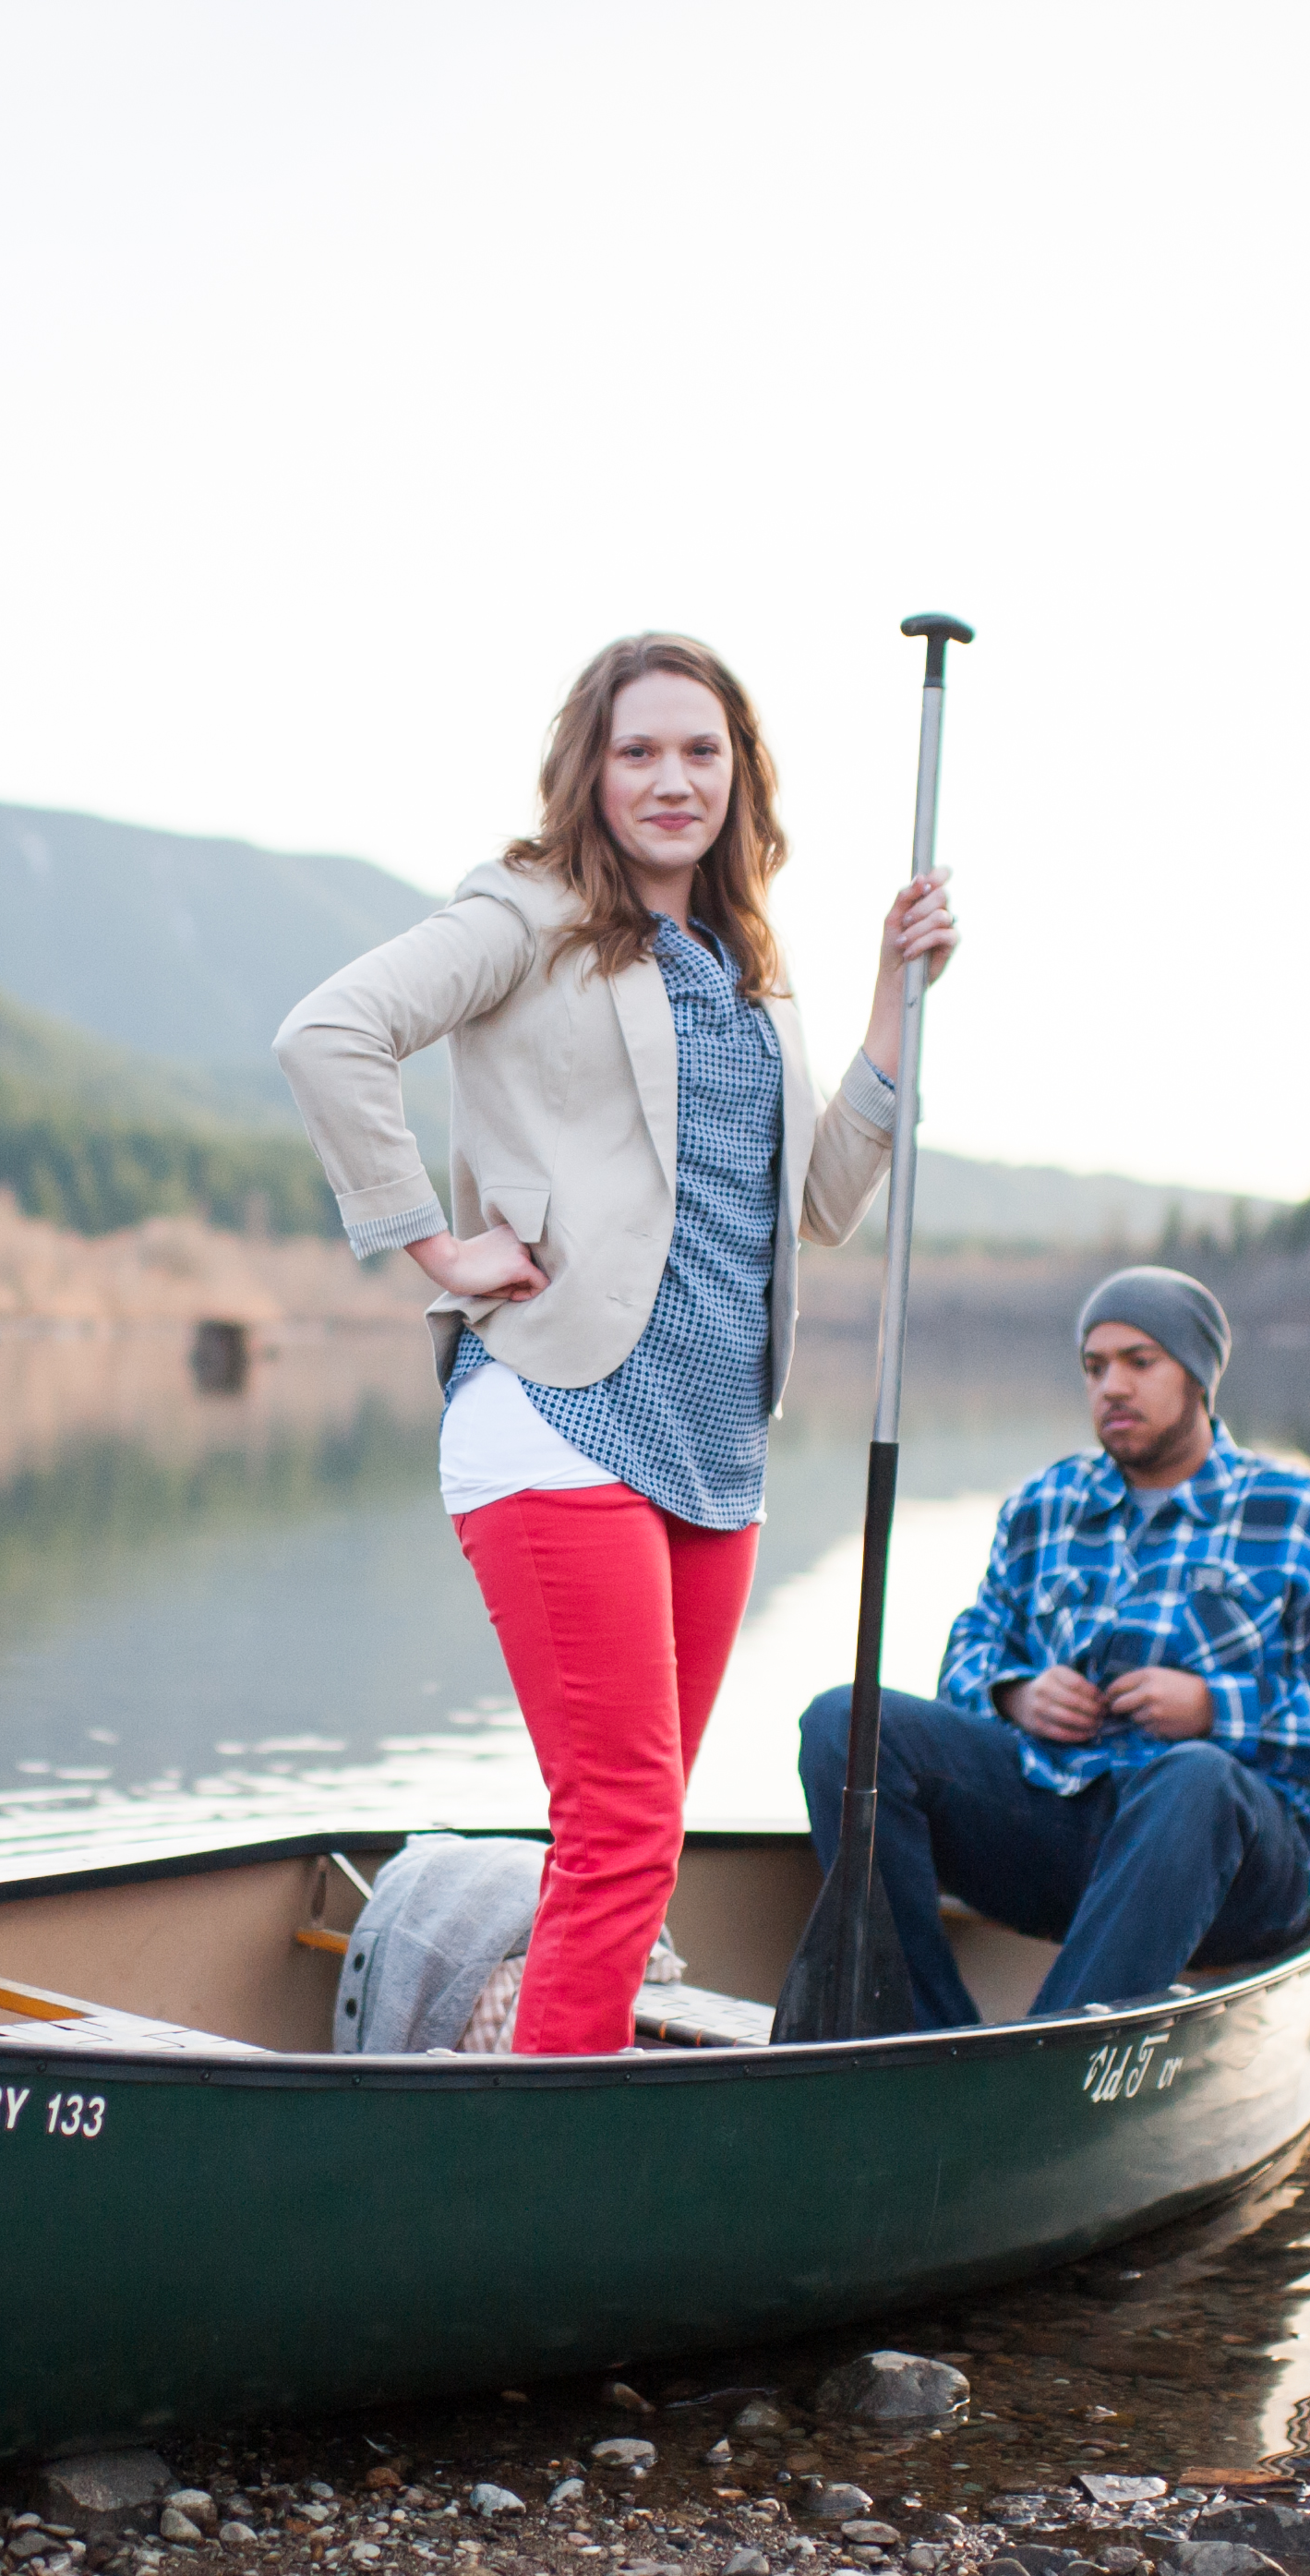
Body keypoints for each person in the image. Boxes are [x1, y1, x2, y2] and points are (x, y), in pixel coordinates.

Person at [275, 632, 957, 2055]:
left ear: (739, 776)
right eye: (638, 750)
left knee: (631, 1839)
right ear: (590, 771)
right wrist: (435, 1248)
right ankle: (531, 2176)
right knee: (628, 1840)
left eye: (700, 751)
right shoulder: (527, 915)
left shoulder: (750, 970)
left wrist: (896, 999)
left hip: (715, 1455)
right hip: (556, 1414)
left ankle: (540, 2071)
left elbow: (823, 1200)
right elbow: (330, 1033)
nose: (670, 779)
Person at [796, 1266, 1310, 2022]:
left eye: (1139, 1362)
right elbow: (974, 1643)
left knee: (1195, 1778)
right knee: (846, 1722)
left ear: (1197, 1374)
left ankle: (1040, 2065)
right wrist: (1014, 1694)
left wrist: (1216, 1709)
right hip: (1058, 1828)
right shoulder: (1044, 1506)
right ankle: (918, 2038)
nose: (1112, 1387)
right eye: (1095, 1368)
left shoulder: (1305, 1517)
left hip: (1234, 1864)